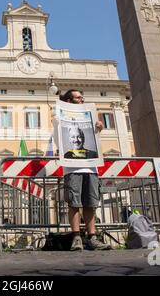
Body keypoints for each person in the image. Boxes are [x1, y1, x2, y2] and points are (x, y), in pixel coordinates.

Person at [58, 90, 111, 251]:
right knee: (74, 203)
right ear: (69, 100)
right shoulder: (59, 115)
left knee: (91, 203)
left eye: (82, 97)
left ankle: (92, 238)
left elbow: (95, 139)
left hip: (91, 166)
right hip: (71, 167)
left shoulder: (91, 116)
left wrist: (98, 129)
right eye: (78, 97)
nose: (82, 99)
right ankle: (76, 238)